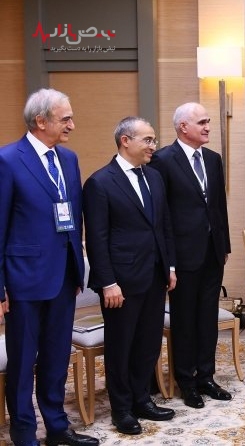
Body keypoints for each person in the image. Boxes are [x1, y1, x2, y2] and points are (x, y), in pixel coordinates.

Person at [0, 89, 98, 446]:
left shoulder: (69, 159)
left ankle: (57, 428)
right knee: (23, 361)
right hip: (23, 281)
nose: (72, 124)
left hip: (64, 277)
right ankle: (24, 433)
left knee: (56, 358)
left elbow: (73, 217)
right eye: (65, 118)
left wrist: (76, 267)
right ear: (41, 121)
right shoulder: (8, 160)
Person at [83, 116, 177, 435]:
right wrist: (108, 282)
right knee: (121, 346)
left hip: (154, 275)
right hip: (120, 282)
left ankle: (141, 399)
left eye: (154, 140)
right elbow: (97, 239)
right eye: (147, 140)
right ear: (125, 141)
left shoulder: (154, 177)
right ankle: (121, 409)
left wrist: (170, 267)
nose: (153, 146)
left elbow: (163, 225)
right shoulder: (100, 183)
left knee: (148, 343)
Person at [148, 102, 232, 408]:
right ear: (183, 127)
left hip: (212, 253)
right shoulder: (162, 160)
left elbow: (219, 206)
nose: (208, 127)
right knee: (184, 320)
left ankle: (206, 376)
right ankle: (185, 381)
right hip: (182, 255)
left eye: (208, 121)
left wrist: (224, 245)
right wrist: (168, 260)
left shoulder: (213, 159)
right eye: (202, 122)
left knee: (207, 317)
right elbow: (161, 214)